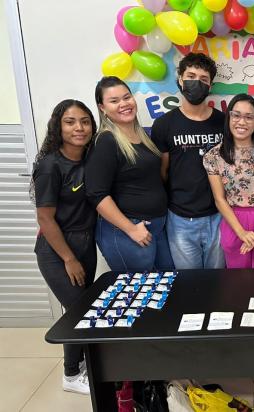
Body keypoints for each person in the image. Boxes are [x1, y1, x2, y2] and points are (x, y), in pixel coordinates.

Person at [32, 100, 97, 394]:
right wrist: (69, 258)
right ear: (58, 126)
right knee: (78, 312)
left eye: (85, 121)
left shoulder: (90, 159)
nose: (79, 128)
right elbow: (45, 218)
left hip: (86, 244)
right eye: (70, 122)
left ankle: (82, 364)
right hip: (58, 249)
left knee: (83, 310)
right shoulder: (50, 166)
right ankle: (71, 375)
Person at [86, 76, 174, 272]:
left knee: (167, 289)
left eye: (127, 97)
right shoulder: (106, 141)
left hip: (156, 227)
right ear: (102, 108)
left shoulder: (142, 136)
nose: (124, 104)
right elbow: (96, 194)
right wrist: (131, 229)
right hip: (128, 231)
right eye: (114, 101)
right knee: (139, 297)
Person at [151, 53, 225, 270]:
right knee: (188, 284)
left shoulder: (224, 121)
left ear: (210, 85)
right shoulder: (164, 124)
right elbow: (162, 172)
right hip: (181, 219)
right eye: (191, 76)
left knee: (218, 282)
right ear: (180, 79)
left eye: (203, 79)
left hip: (219, 216)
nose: (196, 82)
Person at [203, 94, 254, 268]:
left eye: (249, 117)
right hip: (234, 223)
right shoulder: (213, 156)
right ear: (229, 118)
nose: (242, 122)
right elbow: (219, 199)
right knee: (238, 284)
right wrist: (242, 233)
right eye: (236, 115)